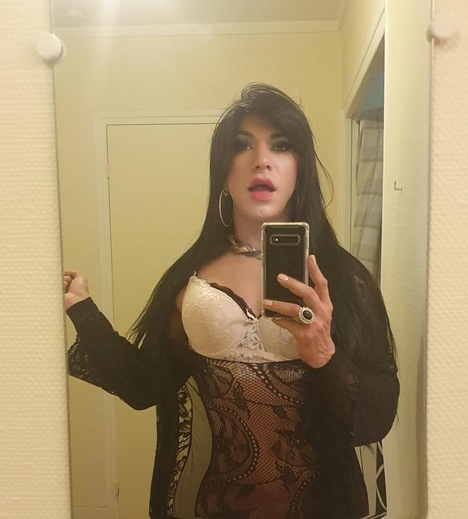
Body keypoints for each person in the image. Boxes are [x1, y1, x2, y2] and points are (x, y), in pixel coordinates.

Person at [64, 83, 399, 519]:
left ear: (299, 169)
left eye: (281, 146)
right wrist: (82, 310)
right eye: (242, 145)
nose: (262, 160)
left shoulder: (343, 278)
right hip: (216, 506)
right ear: (223, 172)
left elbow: (377, 416)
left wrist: (325, 356)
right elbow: (144, 384)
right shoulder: (190, 277)